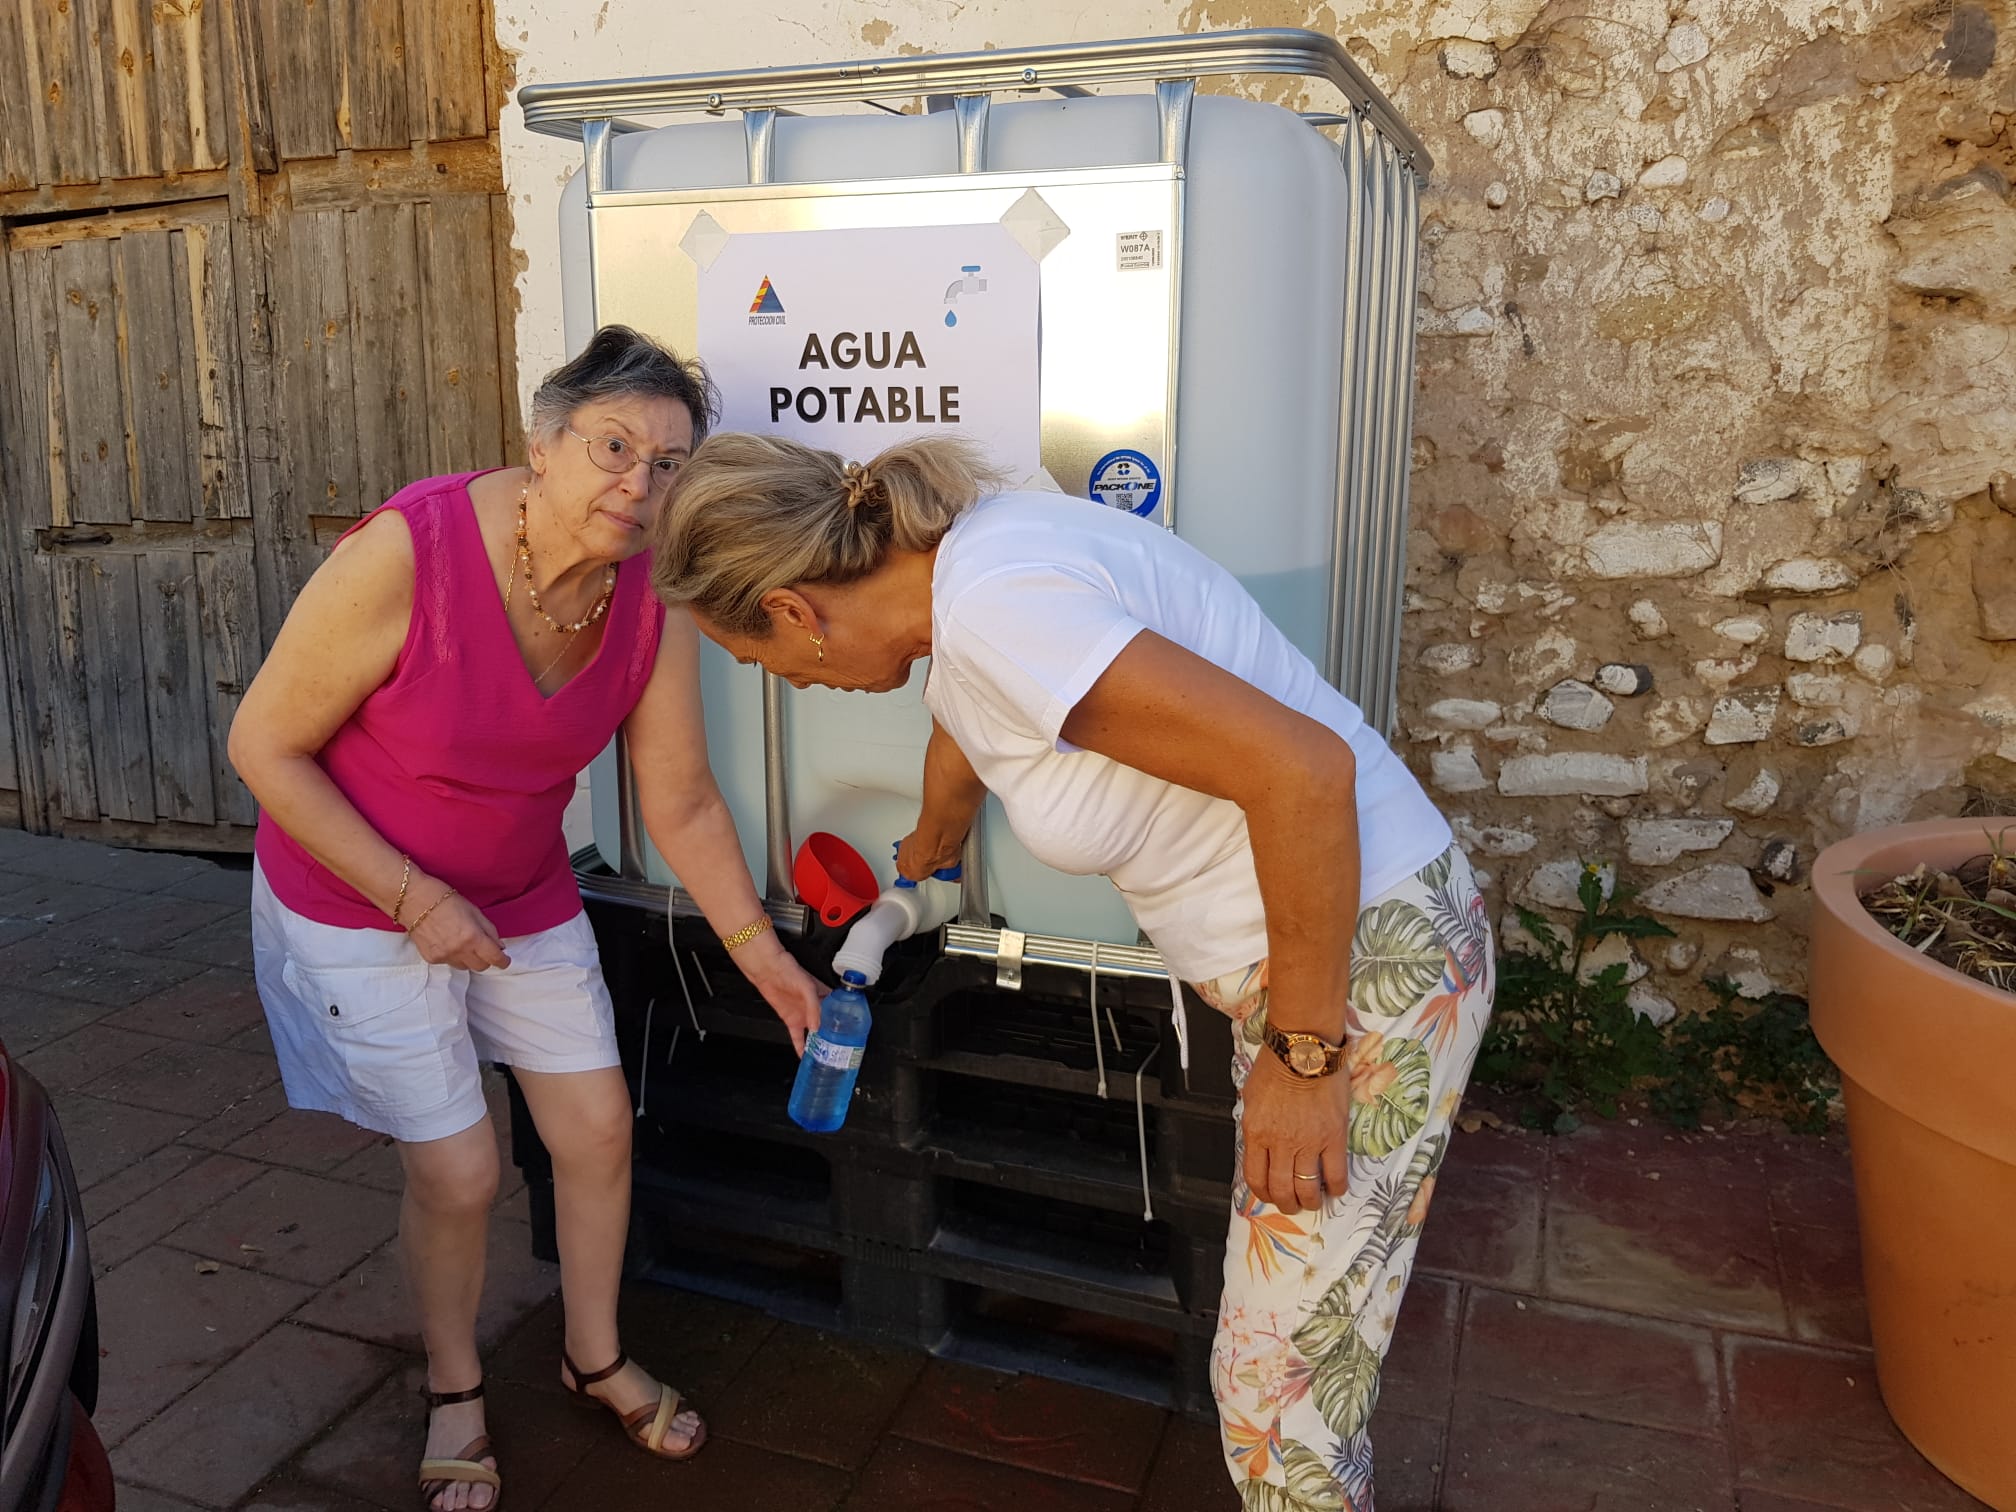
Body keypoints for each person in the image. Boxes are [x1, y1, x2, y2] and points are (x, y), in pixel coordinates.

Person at [651, 434, 1494, 1509]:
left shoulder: (999, 611)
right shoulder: (969, 567)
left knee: (1277, 1399)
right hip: (1341, 956)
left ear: (793, 611)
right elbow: (971, 717)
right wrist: (933, 838)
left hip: (1363, 978)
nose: (784, 679)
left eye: (757, 661)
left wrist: (1304, 1054)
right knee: (1291, 1366)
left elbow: (1304, 773)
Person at [228, 327, 825, 1511]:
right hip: (358, 895)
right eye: (613, 447)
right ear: (543, 444)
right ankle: (455, 1385)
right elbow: (263, 745)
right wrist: (416, 898)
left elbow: (683, 798)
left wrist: (767, 959)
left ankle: (589, 1354)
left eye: (667, 466)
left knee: (597, 1126)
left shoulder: (647, 593)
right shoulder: (411, 551)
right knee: (458, 1170)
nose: (637, 485)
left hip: (518, 887)